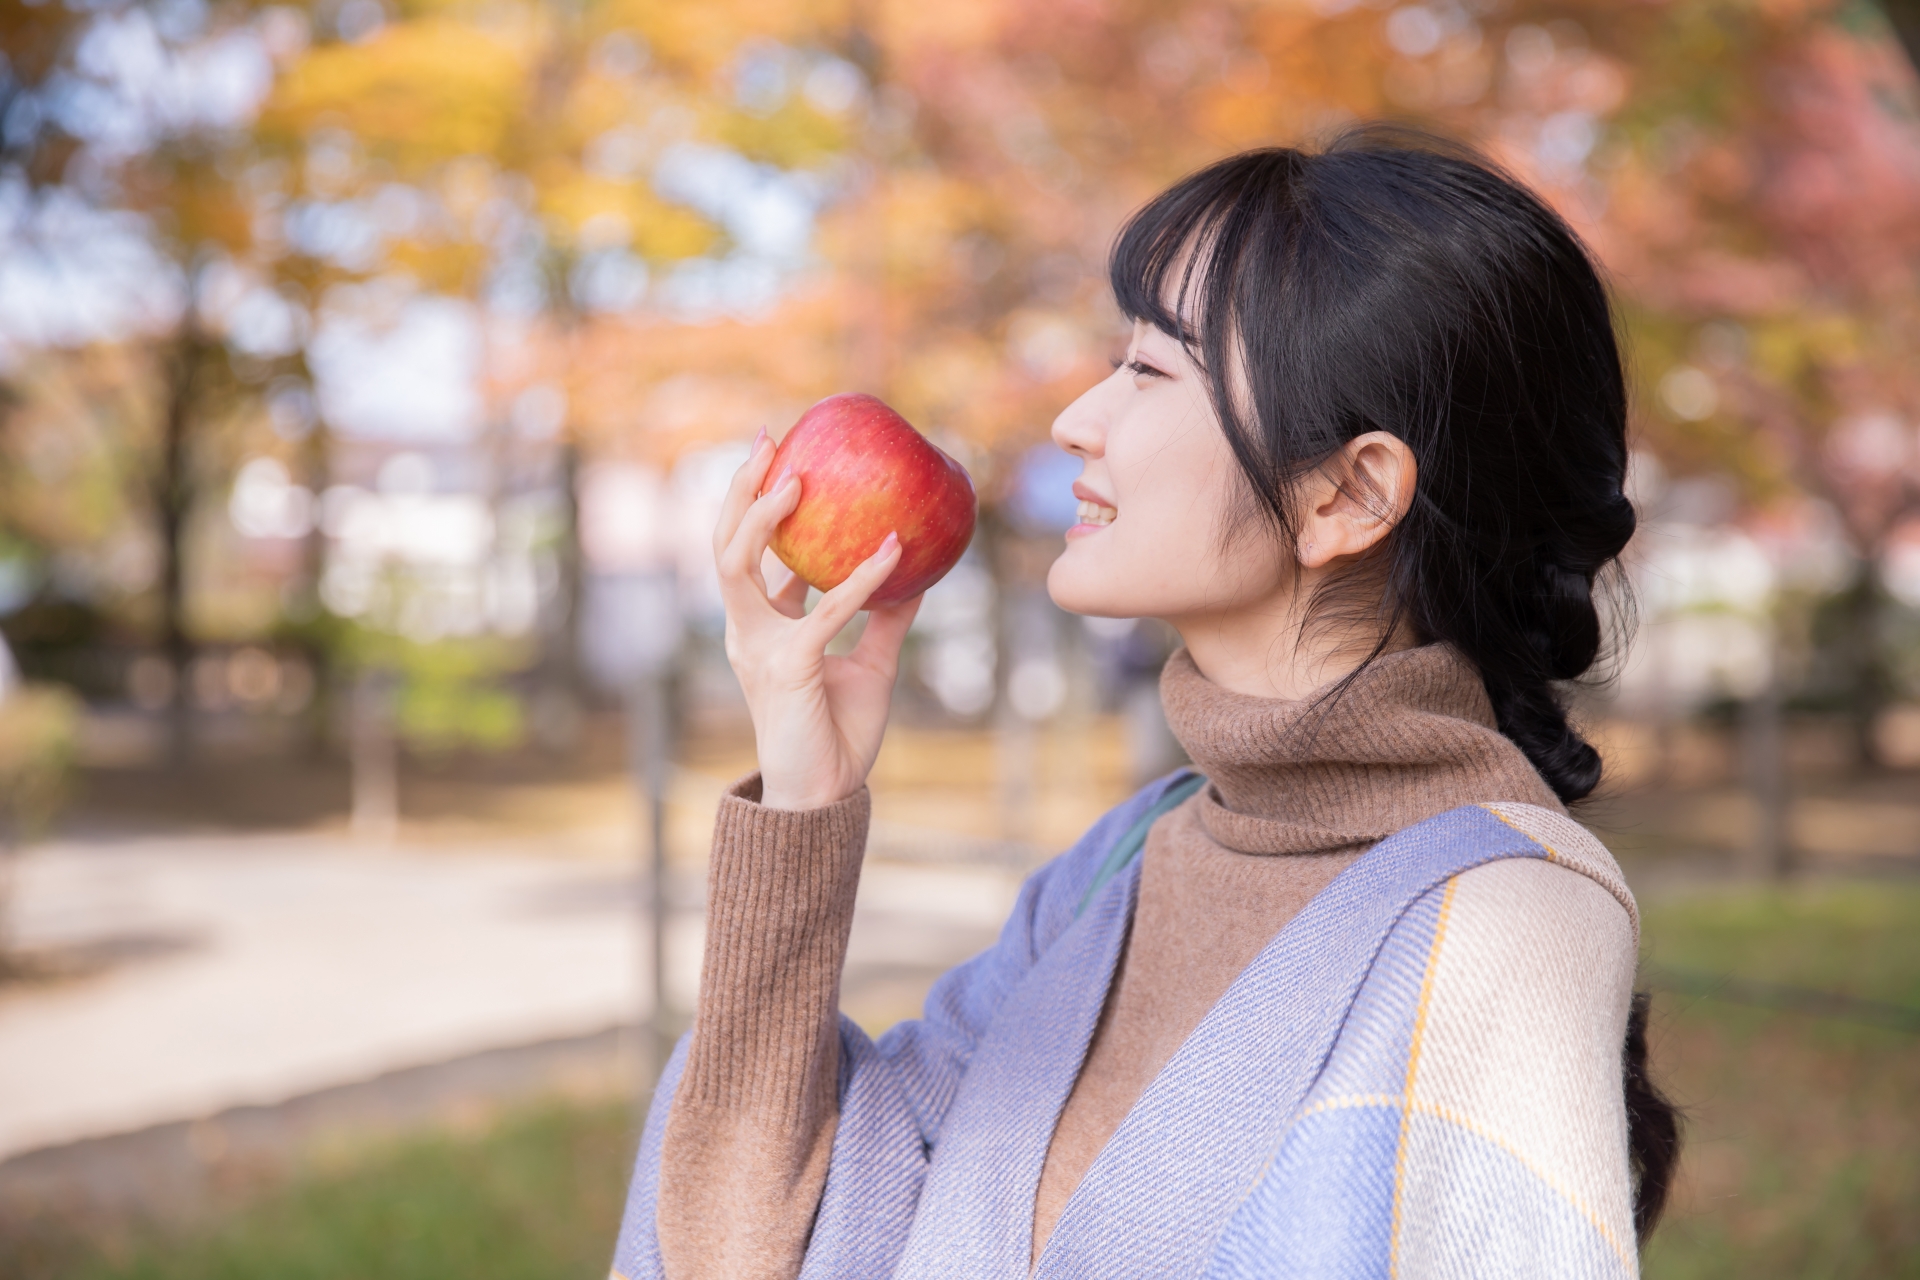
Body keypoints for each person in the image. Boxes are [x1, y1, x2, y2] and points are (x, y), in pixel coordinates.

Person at [611, 127, 1679, 1280]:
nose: (1079, 417)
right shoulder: (1115, 870)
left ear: (1348, 492)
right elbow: (743, 1242)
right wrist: (807, 794)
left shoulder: (1509, 921)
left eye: (1152, 370)